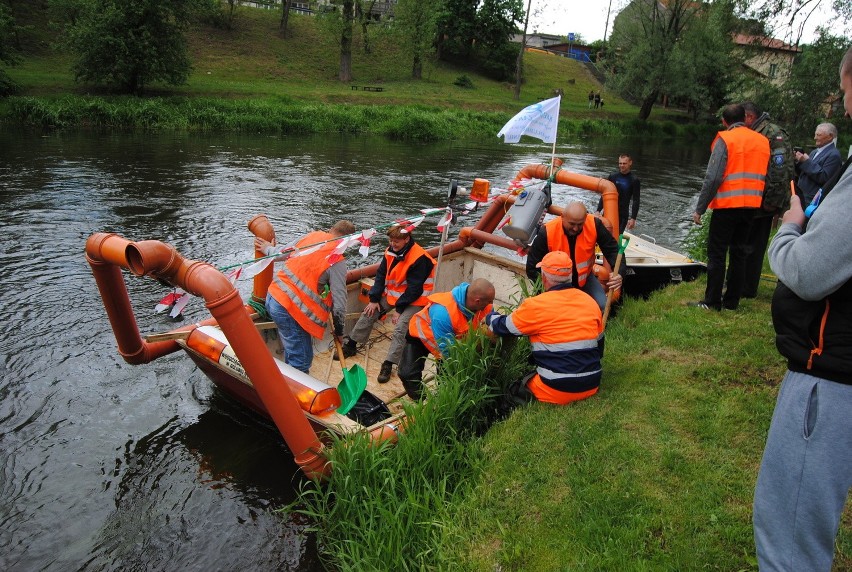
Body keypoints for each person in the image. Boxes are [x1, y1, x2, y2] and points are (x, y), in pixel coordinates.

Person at [753, 47, 852, 572]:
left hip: (830, 376)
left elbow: (810, 274)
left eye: (844, 87)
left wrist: (791, 227)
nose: (841, 100)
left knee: (789, 529)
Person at [486, 251, 604, 406]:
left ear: (544, 278)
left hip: (556, 388)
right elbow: (600, 349)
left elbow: (503, 327)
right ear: (570, 275)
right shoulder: (590, 301)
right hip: (591, 383)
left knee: (513, 391)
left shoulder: (535, 305)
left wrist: (489, 315)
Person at [689, 103, 769, 311]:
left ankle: (712, 301)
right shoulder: (762, 141)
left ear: (725, 122)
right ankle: (732, 301)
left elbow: (713, 177)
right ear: (745, 118)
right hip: (751, 206)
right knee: (740, 253)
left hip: (726, 206)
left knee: (717, 253)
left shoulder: (725, 139)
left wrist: (700, 208)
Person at [341, 226, 435, 384]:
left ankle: (389, 364)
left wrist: (399, 310)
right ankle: (351, 344)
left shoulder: (419, 258)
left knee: (400, 327)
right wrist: (374, 299)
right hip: (395, 295)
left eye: (396, 241)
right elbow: (381, 275)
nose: (393, 244)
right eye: (391, 241)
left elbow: (415, 289)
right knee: (369, 312)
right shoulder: (389, 251)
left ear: (407, 239)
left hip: (416, 299)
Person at [260, 220, 355, 374]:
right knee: (302, 359)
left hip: (273, 296)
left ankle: (289, 377)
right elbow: (339, 302)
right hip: (288, 308)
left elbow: (281, 254)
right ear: (348, 241)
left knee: (294, 348)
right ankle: (294, 393)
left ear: (331, 229)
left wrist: (267, 248)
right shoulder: (336, 260)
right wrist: (339, 331)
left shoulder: (312, 236)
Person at [398, 278, 495, 400]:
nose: (491, 304)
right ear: (477, 301)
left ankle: (443, 401)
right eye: (489, 302)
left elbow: (491, 327)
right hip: (423, 336)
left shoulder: (485, 306)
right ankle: (421, 400)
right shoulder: (442, 312)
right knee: (407, 373)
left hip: (452, 339)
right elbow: (448, 354)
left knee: (448, 382)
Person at [525, 201, 623, 313]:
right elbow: (532, 267)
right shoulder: (547, 232)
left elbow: (613, 250)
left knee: (602, 304)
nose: (576, 228)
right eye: (571, 224)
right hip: (557, 283)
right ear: (562, 217)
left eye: (580, 224)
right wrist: (547, 288)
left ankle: (595, 328)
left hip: (585, 278)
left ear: (586, 218)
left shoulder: (594, 225)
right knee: (558, 311)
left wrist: (619, 273)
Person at [740, 101, 795, 299]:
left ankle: (747, 288)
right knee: (745, 242)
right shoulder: (759, 131)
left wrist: (771, 203)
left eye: (741, 118)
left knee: (753, 245)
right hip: (753, 197)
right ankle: (741, 283)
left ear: (749, 117)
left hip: (763, 201)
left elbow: (780, 172)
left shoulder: (773, 134)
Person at [794, 122, 842, 205]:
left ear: (830, 137)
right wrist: (798, 161)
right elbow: (804, 174)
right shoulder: (814, 151)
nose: (815, 138)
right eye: (815, 134)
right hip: (801, 196)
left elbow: (824, 178)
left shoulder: (834, 155)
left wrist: (806, 162)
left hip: (812, 200)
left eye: (818, 135)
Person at [596, 153, 641, 234]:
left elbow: (636, 200)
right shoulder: (613, 176)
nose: (622, 165)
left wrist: (633, 218)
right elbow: (604, 194)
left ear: (630, 163)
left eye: (624, 163)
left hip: (622, 215)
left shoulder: (634, 180)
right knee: (602, 234)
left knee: (616, 237)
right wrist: (598, 210)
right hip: (608, 211)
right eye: (620, 163)